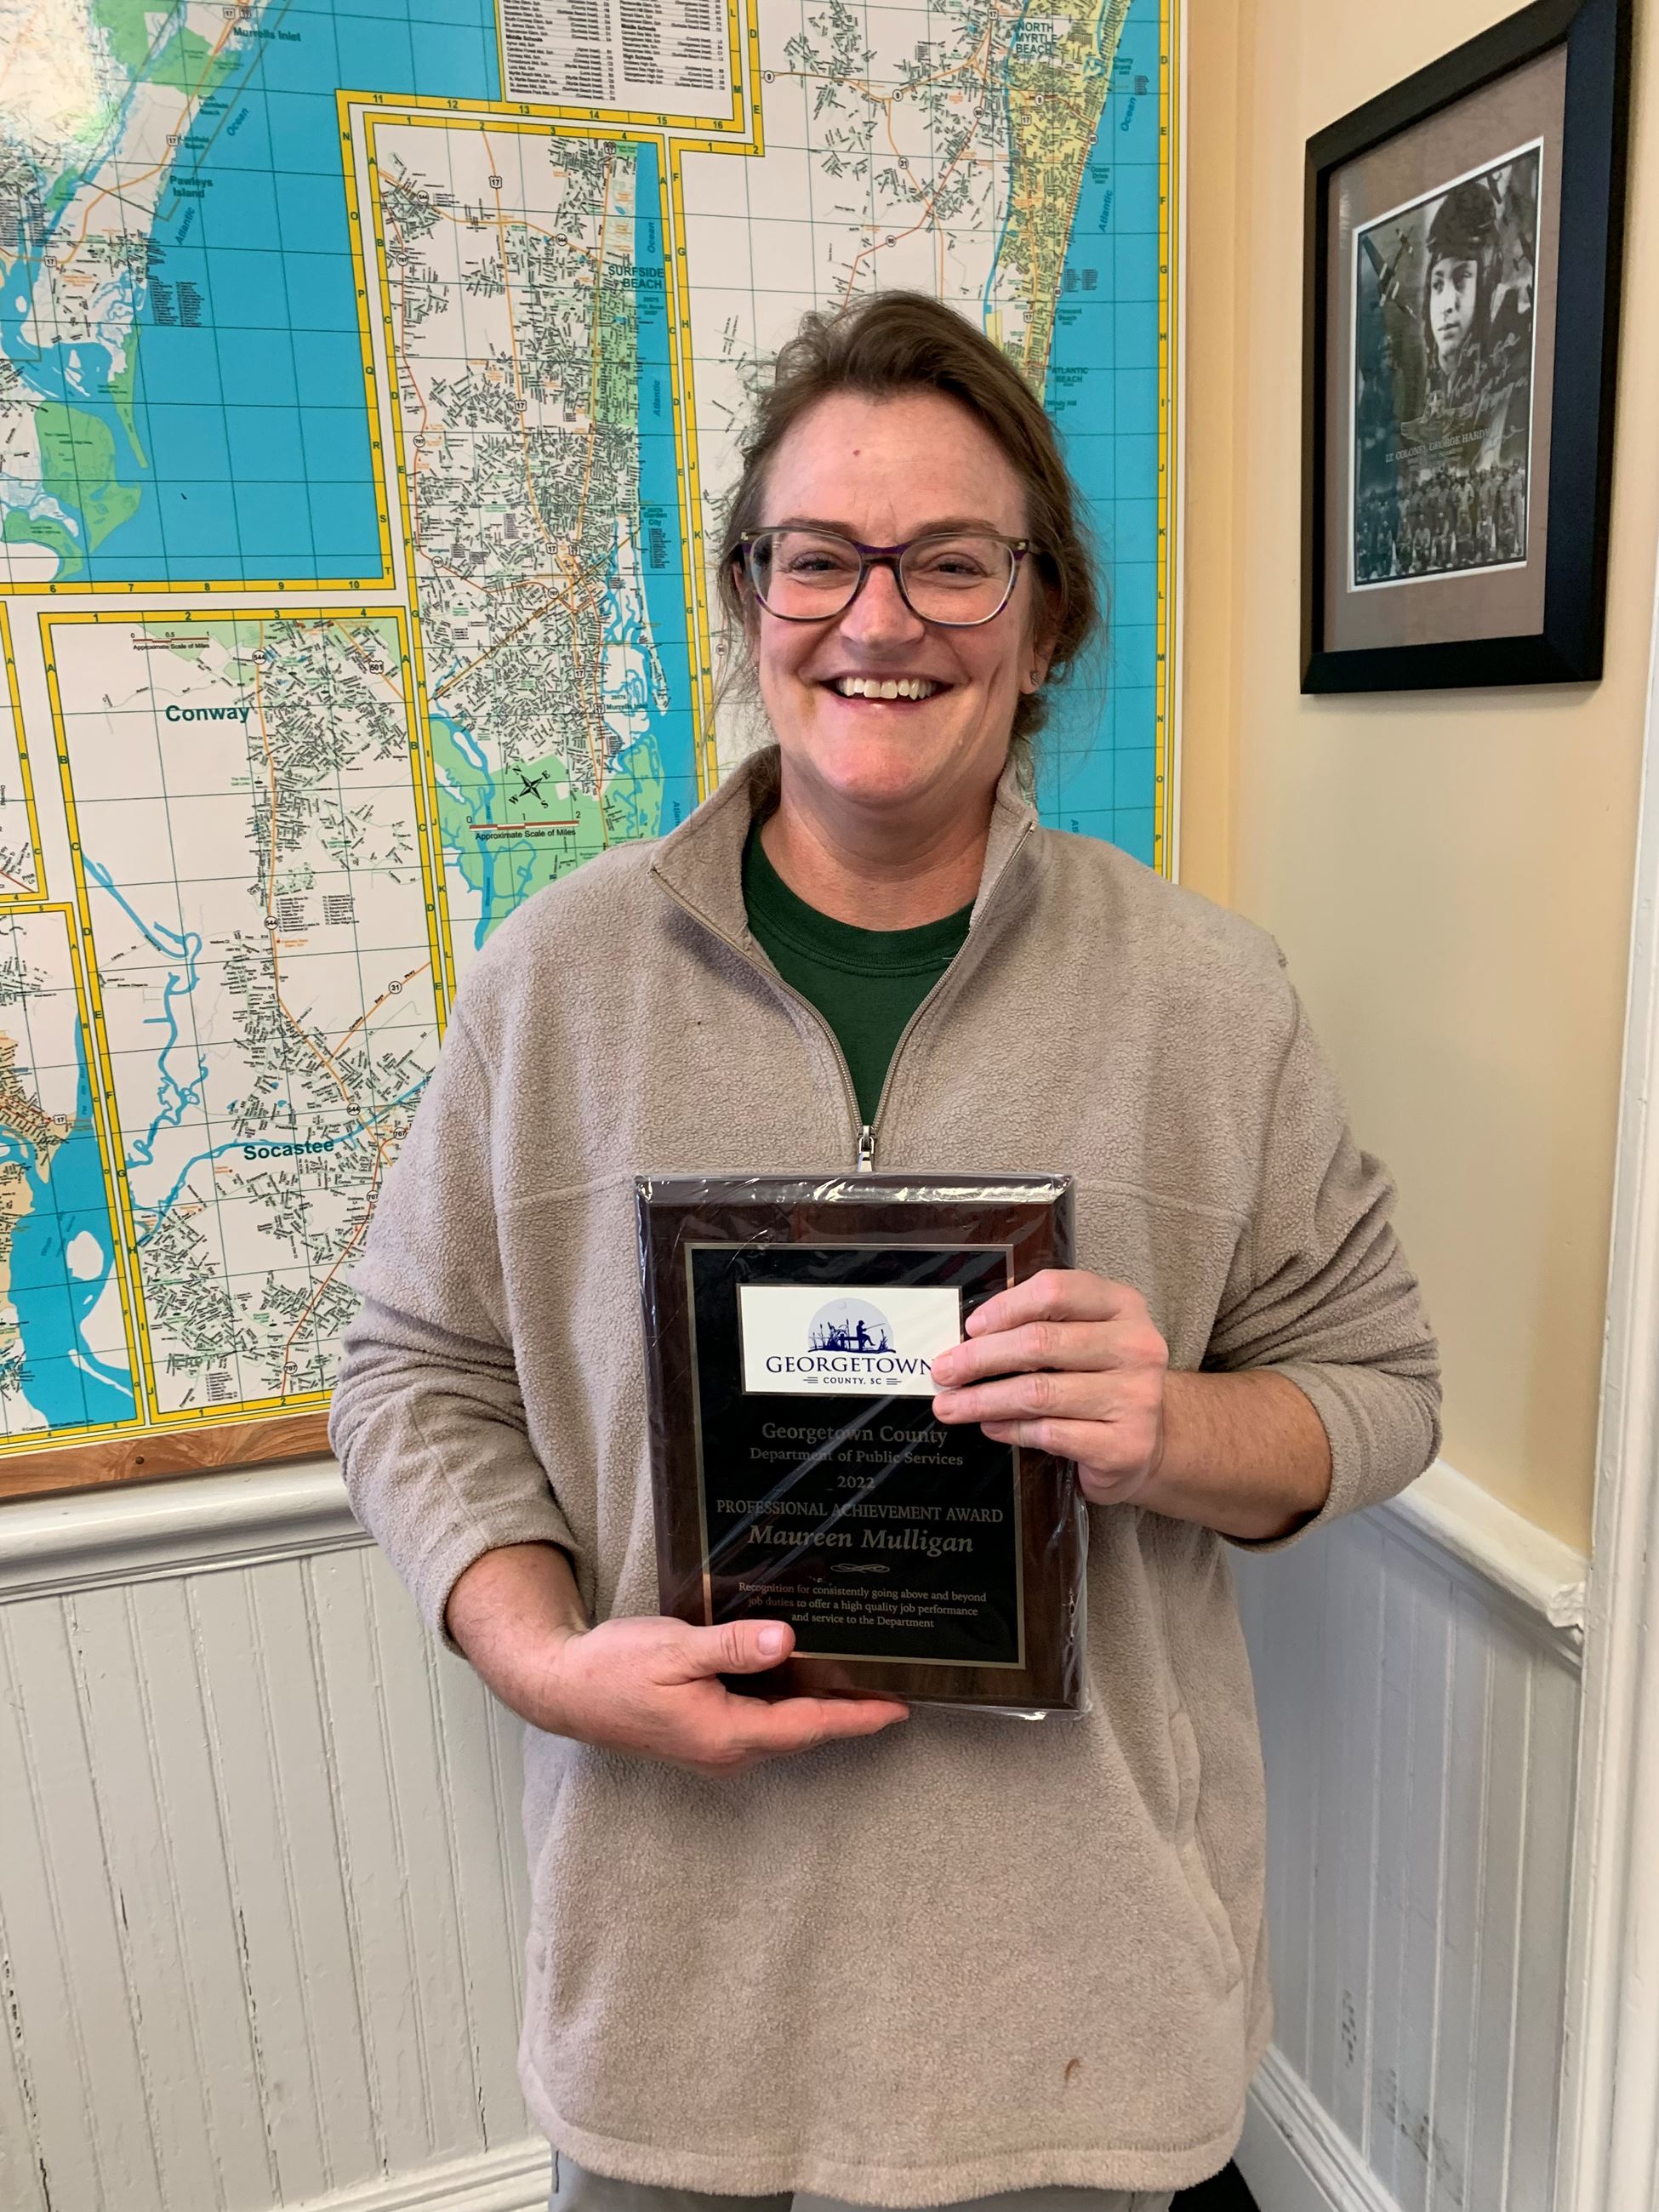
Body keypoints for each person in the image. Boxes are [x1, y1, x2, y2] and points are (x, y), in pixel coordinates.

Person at [329, 290, 1440, 2212]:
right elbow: (412, 1370)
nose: (879, 616)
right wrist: (537, 1655)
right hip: (678, 2014)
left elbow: (1381, 1392)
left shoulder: (1207, 997)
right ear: (753, 595)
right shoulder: (554, 990)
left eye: (952, 561)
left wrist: (1172, 1425)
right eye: (820, 556)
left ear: (1043, 617)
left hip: (1078, 2035)